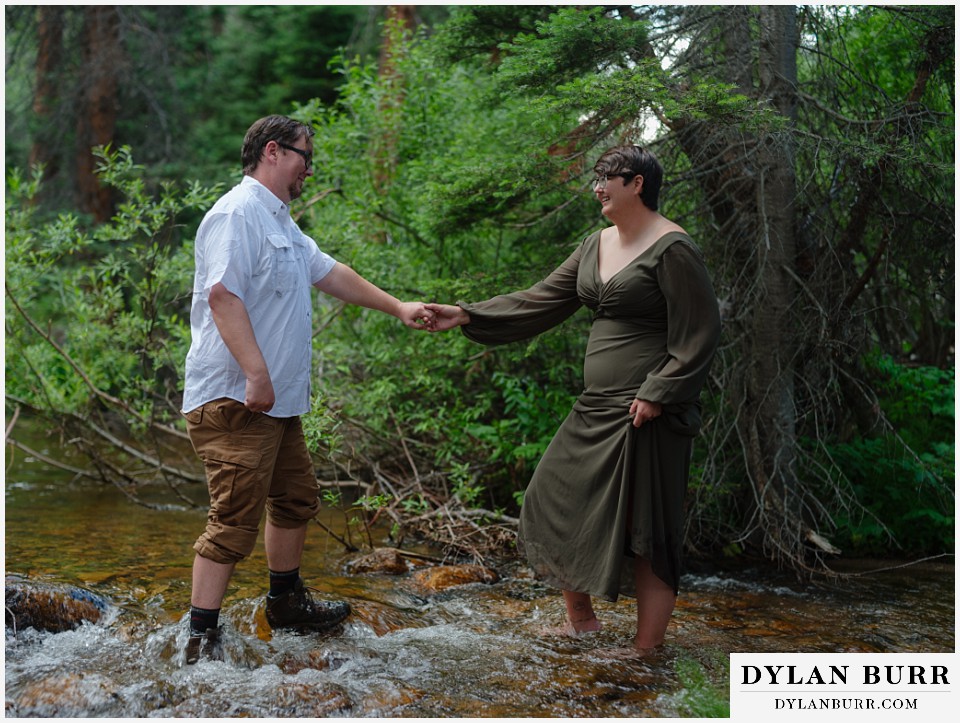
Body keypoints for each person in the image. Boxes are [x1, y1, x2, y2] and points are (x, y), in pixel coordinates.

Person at [426, 145, 721, 657]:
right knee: (552, 498)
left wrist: (659, 391)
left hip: (646, 412)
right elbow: (541, 298)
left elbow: (700, 331)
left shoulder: (672, 247)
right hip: (597, 405)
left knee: (649, 529)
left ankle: (645, 649)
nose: (598, 187)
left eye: (608, 177)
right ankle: (581, 624)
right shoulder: (595, 244)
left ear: (638, 184)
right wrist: (467, 314)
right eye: (596, 177)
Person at [180, 115, 433, 664]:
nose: (309, 170)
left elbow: (330, 272)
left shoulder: (281, 222)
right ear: (273, 151)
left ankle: (286, 603)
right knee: (232, 520)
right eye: (304, 157)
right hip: (236, 399)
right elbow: (222, 295)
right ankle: (199, 641)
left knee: (296, 498)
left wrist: (398, 307)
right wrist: (256, 373)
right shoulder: (236, 213)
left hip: (275, 405)